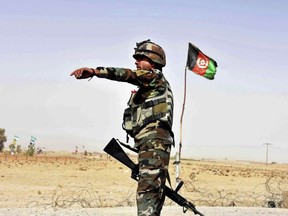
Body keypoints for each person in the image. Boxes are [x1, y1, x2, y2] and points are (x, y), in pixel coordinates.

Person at [70, 39, 174, 216]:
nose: (136, 61)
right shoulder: (151, 85)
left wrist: (96, 72)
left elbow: (127, 75)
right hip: (150, 144)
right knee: (151, 192)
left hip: (154, 144)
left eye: (140, 58)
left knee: (147, 193)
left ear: (153, 60)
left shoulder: (154, 77)